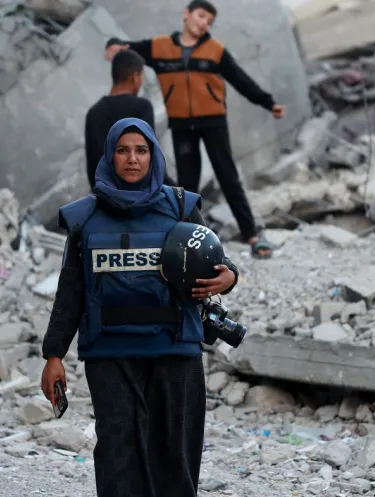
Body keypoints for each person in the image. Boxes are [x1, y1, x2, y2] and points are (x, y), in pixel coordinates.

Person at [40, 117, 240, 497]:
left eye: (141, 150)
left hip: (174, 350)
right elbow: (71, 288)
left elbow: (219, 262)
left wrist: (228, 277)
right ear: (110, 156)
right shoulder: (85, 218)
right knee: (118, 453)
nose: (132, 159)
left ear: (153, 156)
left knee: (175, 455)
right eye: (122, 150)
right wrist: (54, 354)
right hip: (110, 354)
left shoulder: (180, 206)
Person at [103, 0, 285, 259]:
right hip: (182, 125)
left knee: (227, 177)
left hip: (213, 122)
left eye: (209, 21)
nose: (204, 23)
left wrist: (269, 103)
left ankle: (252, 235)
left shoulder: (215, 50)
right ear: (186, 15)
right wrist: (112, 42)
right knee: (187, 185)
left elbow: (241, 80)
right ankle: (186, 239)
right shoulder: (160, 47)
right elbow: (128, 47)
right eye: (201, 16)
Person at [85, 49, 177, 189]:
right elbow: (149, 158)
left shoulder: (93, 113)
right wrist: (177, 192)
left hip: (106, 195)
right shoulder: (141, 107)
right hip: (137, 194)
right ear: (135, 77)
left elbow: (93, 165)